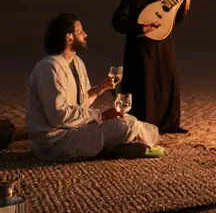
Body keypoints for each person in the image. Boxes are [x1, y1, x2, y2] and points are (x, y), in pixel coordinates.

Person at [26, 13, 163, 161]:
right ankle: (119, 147)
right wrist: (101, 116)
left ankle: (122, 145)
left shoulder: (76, 62)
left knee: (128, 119)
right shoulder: (49, 68)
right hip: (57, 140)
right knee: (125, 127)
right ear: (69, 36)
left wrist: (100, 89)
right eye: (80, 31)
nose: (85, 34)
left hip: (75, 129)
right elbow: (59, 116)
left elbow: (82, 102)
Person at [111, 0, 190, 134]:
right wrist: (140, 27)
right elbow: (117, 20)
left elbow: (175, 18)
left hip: (163, 45)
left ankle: (169, 124)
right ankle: (144, 124)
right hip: (141, 47)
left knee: (168, 79)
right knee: (144, 83)